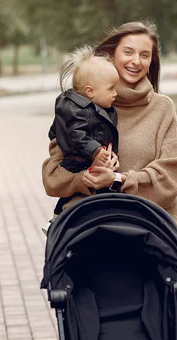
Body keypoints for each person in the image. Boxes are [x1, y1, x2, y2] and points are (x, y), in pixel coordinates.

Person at [42, 21, 177, 224]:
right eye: (128, 52)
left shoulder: (162, 108)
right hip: (89, 227)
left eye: (144, 55)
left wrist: (119, 180)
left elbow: (171, 176)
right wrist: (84, 177)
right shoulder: (77, 108)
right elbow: (52, 177)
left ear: (151, 61)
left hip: (148, 229)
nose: (136, 61)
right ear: (111, 56)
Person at [46, 46, 120, 216]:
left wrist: (111, 152)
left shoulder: (102, 108)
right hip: (76, 160)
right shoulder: (74, 109)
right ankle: (57, 220)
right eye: (111, 89)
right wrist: (94, 150)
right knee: (73, 196)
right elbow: (75, 134)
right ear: (90, 91)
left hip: (90, 159)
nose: (115, 93)